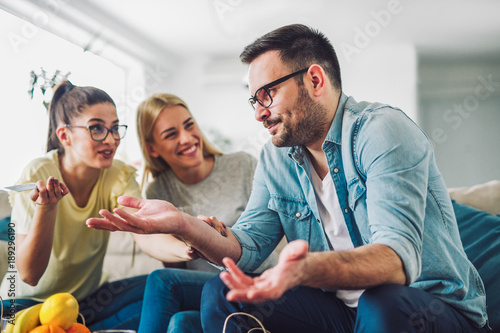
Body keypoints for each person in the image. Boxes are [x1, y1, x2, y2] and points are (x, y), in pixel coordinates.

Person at [87, 24, 490, 333]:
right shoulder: (276, 158)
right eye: (253, 100)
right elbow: (245, 248)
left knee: (379, 303)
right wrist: (182, 224)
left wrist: (303, 270)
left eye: (267, 94)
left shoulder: (380, 131)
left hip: (429, 306)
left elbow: (396, 261)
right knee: (222, 292)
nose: (258, 113)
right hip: (340, 309)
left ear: (314, 80)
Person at [0, 80, 147, 331]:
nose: (111, 140)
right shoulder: (38, 172)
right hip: (26, 305)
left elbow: (143, 227)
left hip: (86, 301)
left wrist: (188, 238)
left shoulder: (118, 174)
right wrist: (46, 208)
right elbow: (28, 275)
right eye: (97, 129)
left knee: (159, 285)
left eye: (114, 129)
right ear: (65, 136)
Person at [132, 93, 277, 333]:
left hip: (255, 280)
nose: (187, 138)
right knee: (179, 323)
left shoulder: (242, 165)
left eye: (190, 126)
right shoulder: (159, 189)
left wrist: (218, 235)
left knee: (160, 282)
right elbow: (175, 268)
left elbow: (266, 232)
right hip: (207, 294)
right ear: (152, 148)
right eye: (171, 134)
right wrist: (189, 242)